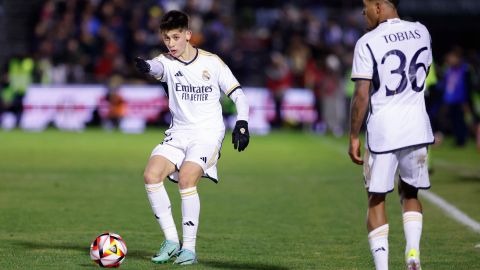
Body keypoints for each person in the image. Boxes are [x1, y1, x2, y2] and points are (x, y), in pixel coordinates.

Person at [134, 10, 250, 265]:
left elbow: (238, 94)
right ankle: (171, 241)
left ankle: (189, 248)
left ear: (188, 35)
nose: (171, 44)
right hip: (179, 133)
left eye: (176, 37)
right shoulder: (165, 61)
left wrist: (241, 122)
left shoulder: (212, 62)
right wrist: (146, 66)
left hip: (207, 134)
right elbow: (155, 67)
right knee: (151, 175)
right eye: (166, 38)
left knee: (187, 179)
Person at [348, 1, 434, 269]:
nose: (363, 14)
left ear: (378, 6)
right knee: (410, 193)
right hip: (417, 126)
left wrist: (353, 135)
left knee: (376, 198)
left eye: (365, 8)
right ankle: (413, 254)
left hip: (385, 129)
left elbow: (362, 93)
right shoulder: (422, 31)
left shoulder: (367, 41)